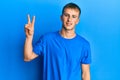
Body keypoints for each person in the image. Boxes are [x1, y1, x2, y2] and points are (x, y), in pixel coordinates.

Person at [24, 2, 91, 80]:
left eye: (73, 17)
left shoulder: (84, 45)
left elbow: (85, 74)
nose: (69, 19)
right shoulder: (47, 39)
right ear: (61, 17)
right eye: (66, 15)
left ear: (77, 20)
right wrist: (29, 37)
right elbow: (27, 57)